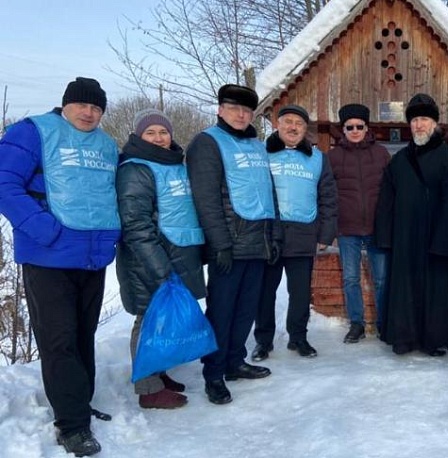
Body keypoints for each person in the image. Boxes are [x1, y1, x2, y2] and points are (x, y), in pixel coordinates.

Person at [0, 77, 119, 456]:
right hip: (48, 254)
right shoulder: (32, 131)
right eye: (83, 105)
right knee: (59, 339)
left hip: (93, 255)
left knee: (83, 334)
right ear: (65, 104)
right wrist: (44, 230)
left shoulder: (105, 143)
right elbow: (5, 184)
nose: (90, 113)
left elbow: (109, 191)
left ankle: (78, 404)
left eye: (97, 107)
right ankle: (70, 426)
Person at [186, 84, 280, 405]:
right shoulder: (207, 142)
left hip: (258, 242)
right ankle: (214, 372)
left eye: (246, 110)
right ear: (220, 109)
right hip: (229, 244)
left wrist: (273, 237)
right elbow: (206, 197)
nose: (241, 115)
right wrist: (220, 243)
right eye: (233, 108)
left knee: (246, 310)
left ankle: (235, 361)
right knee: (222, 311)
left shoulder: (256, 146)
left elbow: (269, 194)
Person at [116, 109, 207, 410]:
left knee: (163, 319)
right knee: (147, 320)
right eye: (150, 132)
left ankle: (159, 374)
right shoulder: (136, 169)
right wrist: (159, 268)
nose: (158, 137)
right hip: (148, 259)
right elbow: (136, 225)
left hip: (175, 254)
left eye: (163, 132)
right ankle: (148, 388)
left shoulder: (173, 165)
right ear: (139, 136)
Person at [374, 93, 448, 356]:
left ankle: (434, 339)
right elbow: (387, 199)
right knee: (404, 287)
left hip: (435, 235)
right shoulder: (398, 160)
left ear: (434, 124)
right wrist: (386, 236)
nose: (419, 125)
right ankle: (403, 337)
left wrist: (446, 238)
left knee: (435, 289)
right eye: (415, 120)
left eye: (424, 120)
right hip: (405, 235)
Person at [254, 104, 338, 359]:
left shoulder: (317, 157)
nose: (292, 127)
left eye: (298, 124)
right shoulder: (261, 154)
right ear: (276, 125)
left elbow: (329, 197)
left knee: (300, 292)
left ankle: (298, 337)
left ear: (305, 129)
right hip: (269, 232)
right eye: (287, 121)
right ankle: (263, 341)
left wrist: (325, 235)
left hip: (303, 233)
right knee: (265, 291)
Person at [327, 103, 390, 342]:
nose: (354, 130)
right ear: (343, 129)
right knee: (350, 278)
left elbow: (390, 190)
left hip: (377, 228)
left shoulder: (381, 153)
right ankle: (357, 324)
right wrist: (331, 226)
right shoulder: (333, 157)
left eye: (359, 126)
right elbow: (328, 193)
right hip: (347, 228)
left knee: (382, 279)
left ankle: (385, 323)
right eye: (349, 127)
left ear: (367, 127)